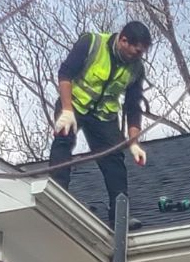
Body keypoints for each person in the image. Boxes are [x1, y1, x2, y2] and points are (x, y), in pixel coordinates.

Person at [49, 21, 151, 222]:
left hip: (103, 116)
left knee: (114, 157)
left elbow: (133, 105)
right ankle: (57, 198)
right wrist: (67, 110)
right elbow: (65, 74)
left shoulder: (136, 68)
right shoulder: (92, 43)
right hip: (74, 104)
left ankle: (119, 215)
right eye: (137, 51)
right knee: (64, 138)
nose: (139, 56)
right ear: (123, 40)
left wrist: (134, 142)